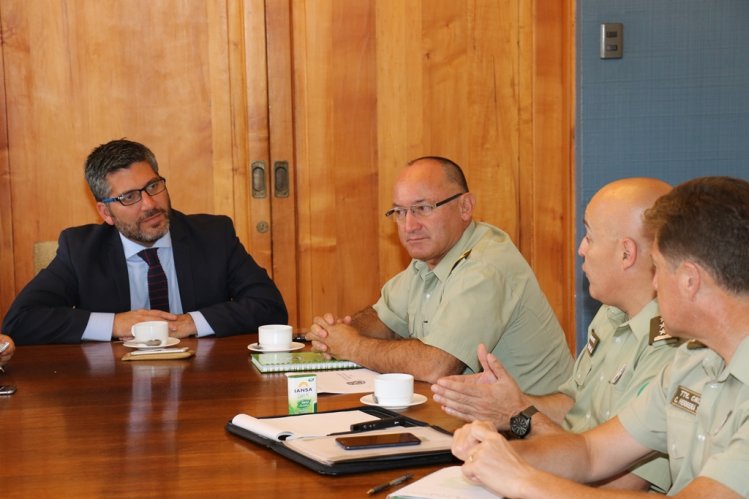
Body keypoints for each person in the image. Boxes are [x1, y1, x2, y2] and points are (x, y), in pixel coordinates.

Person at [451, 176, 749, 498]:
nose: (655, 284)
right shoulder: (693, 363)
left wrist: (522, 480)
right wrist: (496, 456)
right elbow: (591, 452)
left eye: (659, 268)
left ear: (690, 280)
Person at [432, 177, 677, 491]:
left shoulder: (672, 347)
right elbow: (574, 409)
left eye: (589, 236)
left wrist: (518, 418)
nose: (581, 249)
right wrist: (506, 415)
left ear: (626, 254)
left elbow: (615, 484)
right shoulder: (612, 313)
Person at [306, 156, 573, 387]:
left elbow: (435, 366)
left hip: (531, 431)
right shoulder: (430, 257)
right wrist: (334, 334)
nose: (409, 226)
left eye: (423, 209)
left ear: (465, 207)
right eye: (400, 211)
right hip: (477, 419)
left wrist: (352, 346)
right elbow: (383, 321)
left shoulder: (486, 267)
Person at [2, 139, 287, 344]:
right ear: (105, 212)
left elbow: (270, 307)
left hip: (202, 385)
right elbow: (20, 321)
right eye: (129, 197)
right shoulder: (81, 250)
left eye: (153, 186)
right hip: (115, 394)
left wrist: (190, 323)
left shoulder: (213, 234)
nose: (149, 204)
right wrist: (115, 324)